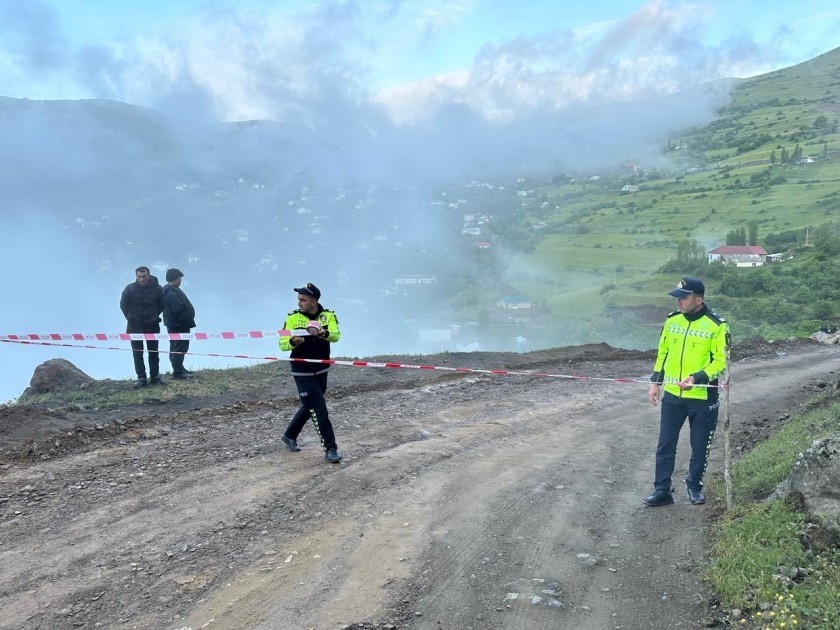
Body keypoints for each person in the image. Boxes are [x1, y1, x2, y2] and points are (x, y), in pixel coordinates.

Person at [644, 277, 730, 507]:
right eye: (677, 298)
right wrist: (655, 383)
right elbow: (663, 354)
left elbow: (721, 363)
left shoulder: (717, 325)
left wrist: (697, 378)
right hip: (673, 396)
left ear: (698, 299)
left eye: (684, 298)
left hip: (702, 399)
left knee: (700, 447)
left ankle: (694, 487)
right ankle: (662, 490)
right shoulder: (672, 321)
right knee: (665, 445)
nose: (678, 302)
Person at [278, 282, 343, 463]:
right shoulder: (291, 318)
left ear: (313, 301)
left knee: (310, 404)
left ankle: (289, 435)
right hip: (301, 370)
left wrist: (322, 333)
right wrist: (292, 342)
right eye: (298, 299)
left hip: (322, 368)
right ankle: (330, 448)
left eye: (303, 300)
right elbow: (282, 344)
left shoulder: (328, 315)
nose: (299, 303)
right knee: (319, 407)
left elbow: (336, 335)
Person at [120, 266, 165, 388]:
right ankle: (141, 378)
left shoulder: (157, 288)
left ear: (148, 275)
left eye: (144, 276)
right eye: (139, 277)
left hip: (152, 325)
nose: (141, 279)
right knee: (137, 353)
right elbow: (123, 304)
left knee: (153, 352)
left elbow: (162, 304)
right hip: (134, 326)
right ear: (136, 276)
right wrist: (130, 317)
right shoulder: (129, 288)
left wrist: (154, 315)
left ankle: (155, 376)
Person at [163, 268, 196, 380]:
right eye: (179, 278)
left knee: (175, 346)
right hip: (179, 325)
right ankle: (177, 372)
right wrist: (187, 320)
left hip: (175, 325)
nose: (181, 280)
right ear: (175, 279)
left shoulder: (171, 289)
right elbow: (179, 310)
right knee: (180, 347)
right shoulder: (172, 292)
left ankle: (179, 367)